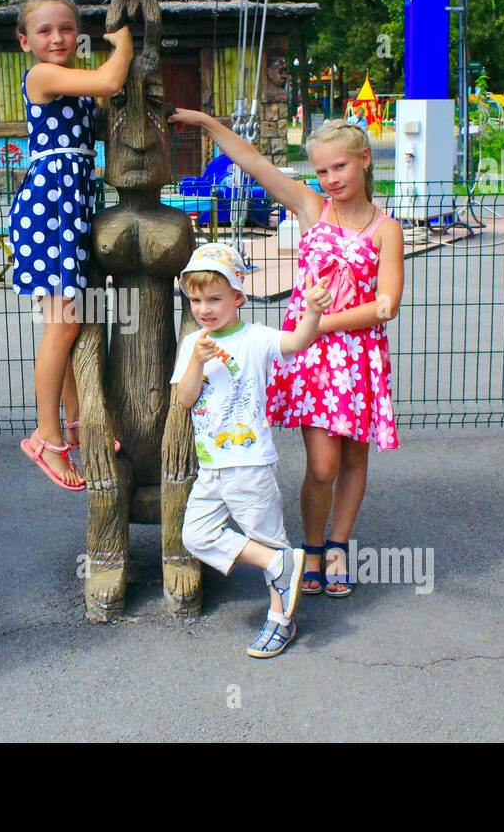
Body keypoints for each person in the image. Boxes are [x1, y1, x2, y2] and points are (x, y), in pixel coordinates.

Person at [170, 110, 404, 598]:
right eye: (321, 170)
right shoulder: (311, 208)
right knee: (323, 464)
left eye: (339, 167)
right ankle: (311, 549)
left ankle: (337, 546)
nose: (330, 179)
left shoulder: (387, 230)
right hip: (313, 360)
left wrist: (317, 321)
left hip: (358, 361)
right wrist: (206, 124)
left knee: (354, 458)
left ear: (364, 160)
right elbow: (254, 162)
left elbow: (386, 306)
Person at [171, 243, 332, 658]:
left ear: (238, 297)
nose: (204, 308)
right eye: (195, 300)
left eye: (215, 299)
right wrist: (197, 363)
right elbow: (185, 399)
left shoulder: (255, 337)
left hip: (250, 462)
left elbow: (297, 342)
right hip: (211, 465)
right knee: (196, 535)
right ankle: (281, 564)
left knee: (267, 537)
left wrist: (313, 309)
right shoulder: (192, 344)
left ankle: (280, 620)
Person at [11, 0, 133, 490]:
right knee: (63, 327)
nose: (57, 38)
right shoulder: (42, 76)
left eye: (66, 28)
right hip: (49, 211)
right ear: (25, 42)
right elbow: (110, 79)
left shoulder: (75, 88)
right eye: (44, 31)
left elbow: (104, 96)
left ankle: (77, 420)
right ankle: (46, 436)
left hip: (67, 210)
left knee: (67, 324)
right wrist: (122, 41)